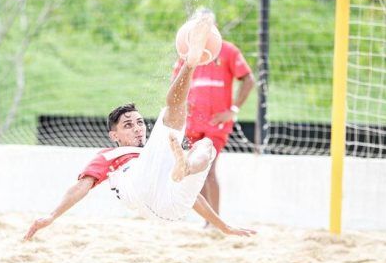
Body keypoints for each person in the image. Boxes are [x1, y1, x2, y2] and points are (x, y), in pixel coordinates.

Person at [24, 14, 255, 241]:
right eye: (128, 125)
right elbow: (81, 186)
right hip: (138, 185)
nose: (137, 128)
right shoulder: (109, 155)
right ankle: (190, 63)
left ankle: (187, 166)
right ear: (114, 135)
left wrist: (224, 227)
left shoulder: (157, 154)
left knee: (205, 148)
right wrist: (51, 216)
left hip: (170, 207)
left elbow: (192, 197)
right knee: (174, 113)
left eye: (139, 122)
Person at [171, 8, 255, 220]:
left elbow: (248, 79)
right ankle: (203, 220)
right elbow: (175, 85)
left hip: (215, 123)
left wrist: (233, 110)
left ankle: (213, 221)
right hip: (191, 122)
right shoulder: (186, 52)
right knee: (192, 171)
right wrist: (182, 105)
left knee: (207, 169)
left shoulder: (228, 51)